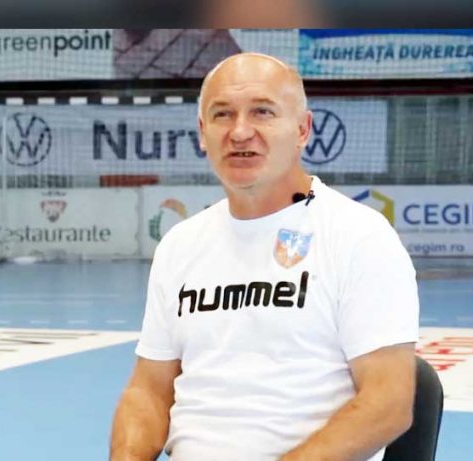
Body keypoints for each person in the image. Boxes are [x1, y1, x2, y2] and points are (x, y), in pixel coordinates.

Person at [110, 53, 419, 461]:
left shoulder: (358, 236)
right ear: (202, 132)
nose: (240, 132)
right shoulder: (180, 245)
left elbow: (388, 403)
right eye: (222, 114)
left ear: (302, 129)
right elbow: (148, 391)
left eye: (262, 112)